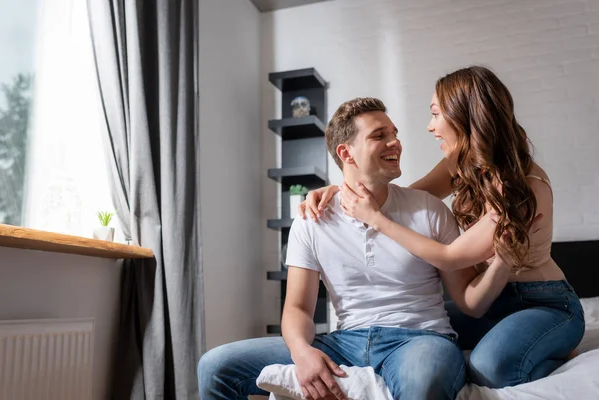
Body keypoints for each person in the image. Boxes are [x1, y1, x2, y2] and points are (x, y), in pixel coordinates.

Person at [198, 97, 514, 400]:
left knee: (425, 382)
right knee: (215, 367)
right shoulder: (312, 218)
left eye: (395, 134)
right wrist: (302, 352)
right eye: (380, 135)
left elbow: (466, 296)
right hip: (345, 342)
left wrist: (503, 260)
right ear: (346, 153)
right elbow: (296, 309)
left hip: (420, 339)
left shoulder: (430, 210)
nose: (396, 143)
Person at [299, 66, 585, 388]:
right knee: (423, 335)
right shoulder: (461, 164)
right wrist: (340, 189)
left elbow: (449, 257)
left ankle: (556, 351)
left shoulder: (521, 186)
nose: (430, 126)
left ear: (464, 116)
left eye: (436, 114)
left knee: (487, 366)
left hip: (543, 302)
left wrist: (376, 220)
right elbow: (403, 196)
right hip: (492, 297)